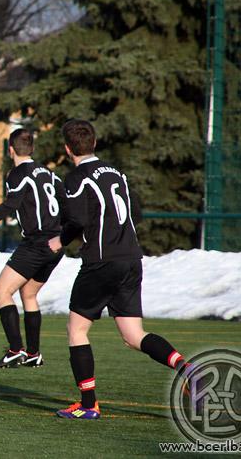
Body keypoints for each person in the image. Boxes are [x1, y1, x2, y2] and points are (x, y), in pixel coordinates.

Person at [47, 119, 191, 419]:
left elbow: (78, 220)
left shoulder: (76, 177)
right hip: (131, 259)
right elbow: (135, 212)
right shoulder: (117, 173)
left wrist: (60, 240)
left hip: (102, 262)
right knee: (133, 335)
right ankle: (185, 367)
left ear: (67, 149)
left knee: (76, 330)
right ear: (94, 143)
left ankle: (88, 405)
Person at [0, 128, 64, 369]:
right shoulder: (48, 173)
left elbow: (11, 205)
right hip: (56, 243)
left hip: (36, 243)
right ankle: (33, 353)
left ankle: (15, 350)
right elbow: (66, 200)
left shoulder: (18, 174)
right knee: (28, 294)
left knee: (1, 292)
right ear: (32, 148)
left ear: (10, 150)